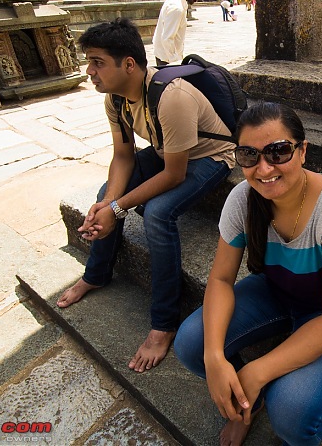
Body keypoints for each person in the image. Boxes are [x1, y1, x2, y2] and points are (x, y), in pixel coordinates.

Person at [174, 102, 322, 446]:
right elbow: (222, 279)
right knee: (192, 344)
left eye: (279, 151)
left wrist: (257, 371)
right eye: (249, 156)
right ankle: (245, 406)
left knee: (291, 410)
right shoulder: (243, 198)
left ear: (302, 151)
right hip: (278, 290)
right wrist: (214, 357)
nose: (264, 168)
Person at [57, 18, 235, 373]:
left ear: (129, 64)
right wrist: (107, 203)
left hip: (210, 156)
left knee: (157, 213)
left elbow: (174, 173)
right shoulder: (115, 99)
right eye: (89, 62)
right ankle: (96, 273)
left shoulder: (172, 97)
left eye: (98, 62)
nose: (90, 71)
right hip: (167, 150)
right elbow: (122, 156)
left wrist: (117, 207)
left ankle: (164, 323)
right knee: (103, 194)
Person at [152, 0, 205, 65]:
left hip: (165, 55)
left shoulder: (176, 0)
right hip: (167, 59)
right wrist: (176, 63)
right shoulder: (177, 7)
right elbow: (167, 39)